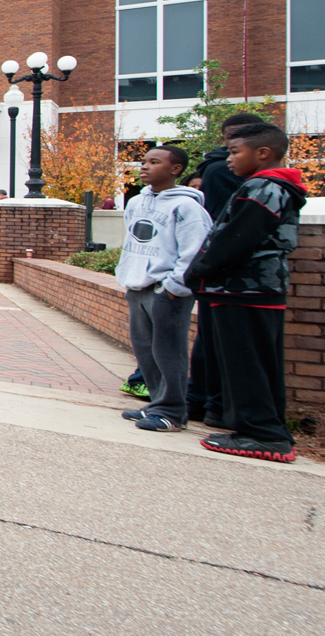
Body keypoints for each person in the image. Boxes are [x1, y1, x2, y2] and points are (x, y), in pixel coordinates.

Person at [184, 122, 307, 463]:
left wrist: (198, 271)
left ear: (263, 153)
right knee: (257, 363)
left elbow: (236, 237)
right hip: (256, 289)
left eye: (235, 152)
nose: (228, 159)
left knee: (245, 363)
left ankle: (263, 435)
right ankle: (264, 429)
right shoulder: (273, 186)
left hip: (244, 289)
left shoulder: (263, 186)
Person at [114, 144, 210, 433]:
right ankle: (157, 404)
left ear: (175, 169)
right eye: (143, 161)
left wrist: (174, 287)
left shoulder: (188, 207)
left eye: (154, 162)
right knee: (145, 350)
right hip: (138, 287)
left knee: (168, 351)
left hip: (166, 290)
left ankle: (172, 411)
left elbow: (195, 251)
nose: (144, 166)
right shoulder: (136, 203)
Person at [185, 112, 271, 425]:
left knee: (219, 343)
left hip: (236, 282)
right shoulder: (225, 172)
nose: (232, 154)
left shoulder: (264, 184)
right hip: (235, 281)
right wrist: (198, 271)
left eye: (237, 150)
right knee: (221, 345)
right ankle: (216, 408)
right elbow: (229, 230)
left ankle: (210, 406)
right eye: (232, 147)